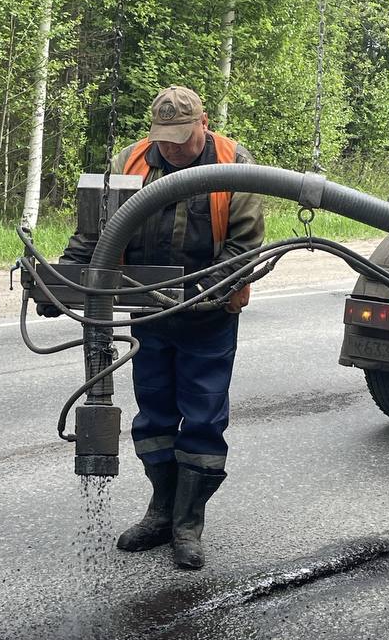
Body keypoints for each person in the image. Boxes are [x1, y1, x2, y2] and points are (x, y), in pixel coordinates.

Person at [58, 84, 265, 570]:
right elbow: (97, 231)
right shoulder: (130, 161)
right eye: (163, 138)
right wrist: (66, 280)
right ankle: (160, 509)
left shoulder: (235, 162)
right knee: (153, 416)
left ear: (203, 123)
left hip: (207, 318)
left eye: (180, 137)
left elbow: (244, 245)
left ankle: (188, 522)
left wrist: (200, 292)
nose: (169, 147)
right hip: (148, 313)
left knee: (203, 417)